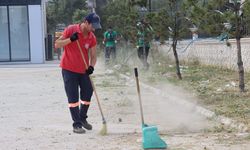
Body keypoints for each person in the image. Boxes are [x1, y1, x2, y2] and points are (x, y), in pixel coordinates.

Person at [55, 13, 101, 134]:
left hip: (84, 70)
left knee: (88, 93)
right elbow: (57, 44)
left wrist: (91, 66)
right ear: (86, 22)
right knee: (73, 98)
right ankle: (77, 124)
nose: (94, 28)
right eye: (93, 26)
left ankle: (82, 117)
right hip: (69, 69)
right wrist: (70, 39)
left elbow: (94, 56)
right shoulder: (71, 29)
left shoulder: (92, 37)